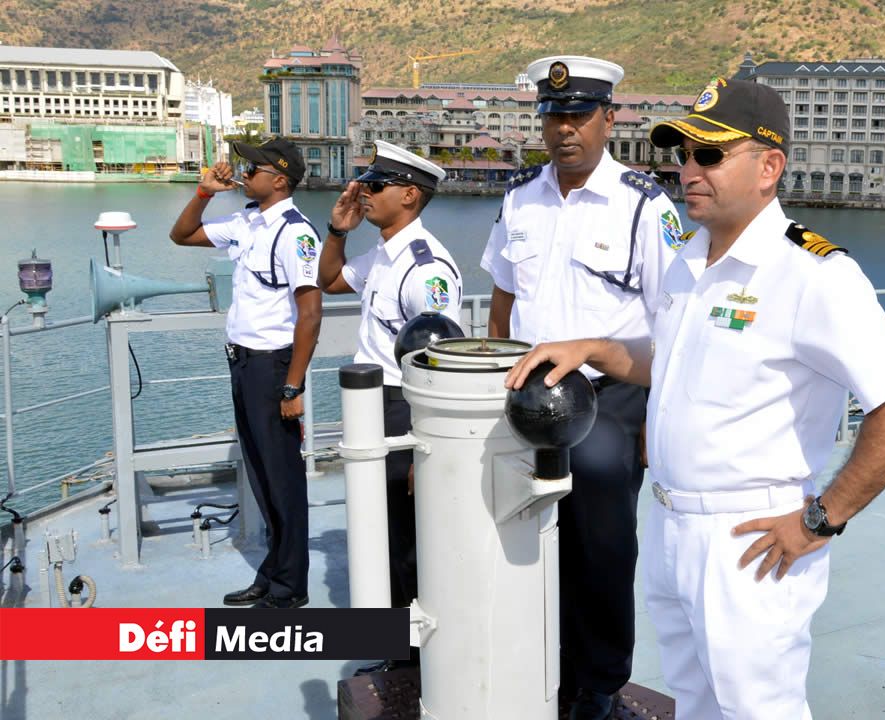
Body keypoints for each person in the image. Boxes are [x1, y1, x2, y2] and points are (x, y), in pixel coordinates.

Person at [504, 77, 885, 719]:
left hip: (751, 537)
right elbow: (672, 361)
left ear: (769, 167)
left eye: (709, 156)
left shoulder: (812, 274)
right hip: (674, 524)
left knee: (759, 708)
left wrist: (823, 518)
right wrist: (593, 347)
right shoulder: (690, 258)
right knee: (698, 703)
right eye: (683, 155)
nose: (688, 171)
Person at [480, 55, 686, 720]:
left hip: (610, 394)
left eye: (579, 116)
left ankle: (598, 685)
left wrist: (658, 419)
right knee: (519, 534)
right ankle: (536, 666)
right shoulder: (519, 200)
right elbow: (501, 305)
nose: (565, 129)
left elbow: (672, 323)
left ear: (608, 119)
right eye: (554, 115)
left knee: (600, 543)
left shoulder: (643, 206)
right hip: (529, 394)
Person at [317, 141, 460, 667]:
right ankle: (392, 639)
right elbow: (329, 280)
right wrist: (338, 230)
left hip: (406, 406)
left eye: (375, 186)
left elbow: (441, 362)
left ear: (409, 194)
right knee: (377, 525)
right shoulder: (382, 252)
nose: (364, 192)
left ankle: (415, 653)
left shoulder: (427, 270)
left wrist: (429, 447)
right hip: (370, 404)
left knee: (406, 534)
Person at [168, 138, 321, 609]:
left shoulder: (296, 234)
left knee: (283, 477)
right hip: (243, 361)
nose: (242, 171)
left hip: (272, 365)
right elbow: (182, 236)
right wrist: (204, 193)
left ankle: (290, 586)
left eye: (251, 167)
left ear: (279, 179)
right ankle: (273, 570)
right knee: (260, 474)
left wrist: (292, 385)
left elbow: (310, 313)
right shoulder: (247, 221)